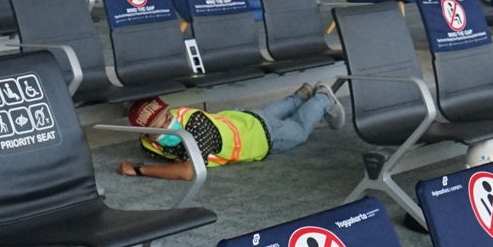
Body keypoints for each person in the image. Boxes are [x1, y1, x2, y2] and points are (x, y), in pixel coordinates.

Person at [115, 85, 343, 181]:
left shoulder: (194, 123)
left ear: (169, 109)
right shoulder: (148, 143)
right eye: (157, 129)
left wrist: (140, 170)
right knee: (265, 114)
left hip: (257, 137)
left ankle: (323, 98)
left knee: (299, 130)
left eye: (166, 118)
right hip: (241, 119)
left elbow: (187, 172)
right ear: (145, 134)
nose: (167, 126)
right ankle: (301, 96)